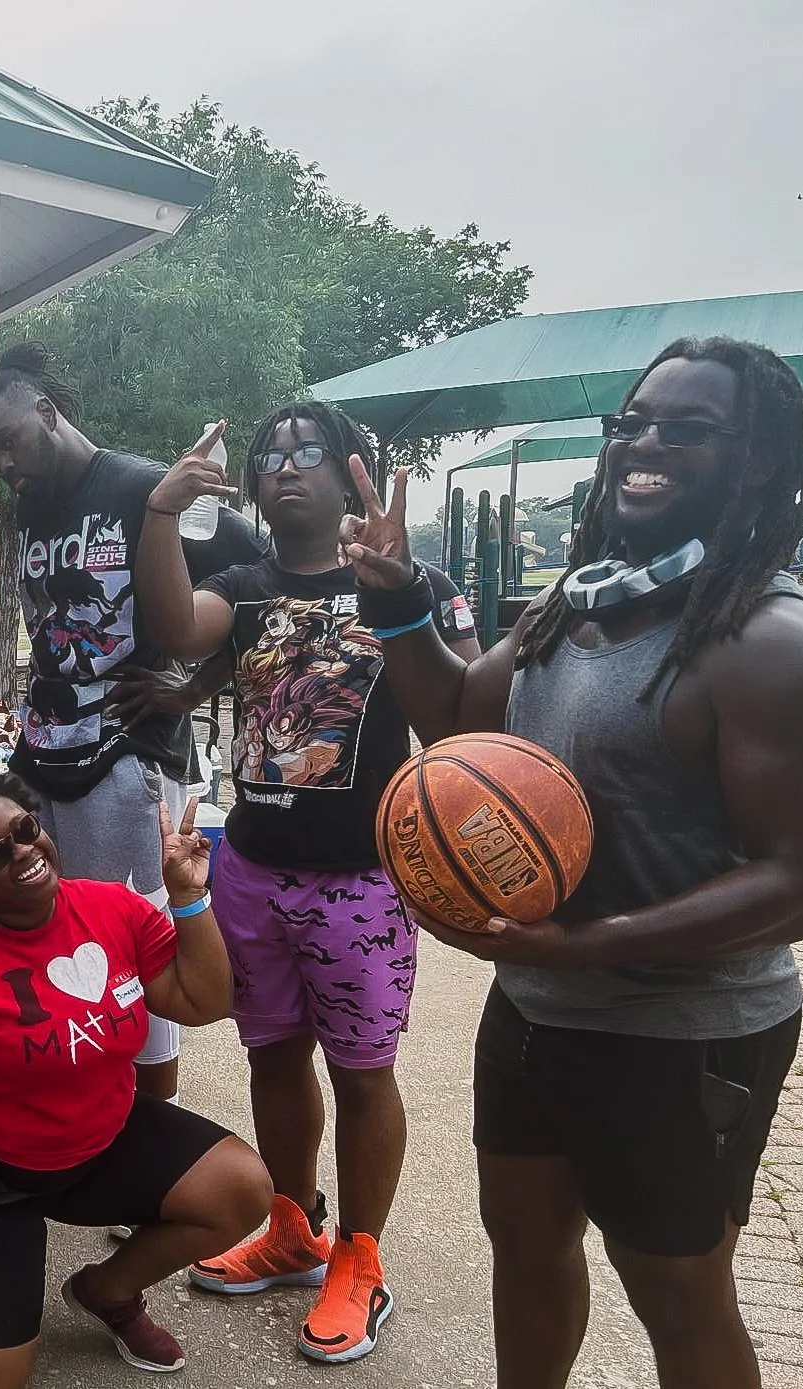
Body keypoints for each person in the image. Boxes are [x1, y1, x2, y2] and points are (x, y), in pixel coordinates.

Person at [340, 337, 803, 1389]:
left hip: (682, 1036)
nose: (646, 443)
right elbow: (451, 719)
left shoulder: (769, 643)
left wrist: (586, 948)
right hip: (540, 1009)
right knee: (526, 1250)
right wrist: (398, 598)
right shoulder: (572, 606)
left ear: (756, 457)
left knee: (678, 1295)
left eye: (688, 428)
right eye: (632, 422)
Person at [134, 399, 480, 1363]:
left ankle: (359, 1262)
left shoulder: (411, 584)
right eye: (269, 454)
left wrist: (401, 588)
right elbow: (172, 626)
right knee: (271, 1055)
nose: (285, 466)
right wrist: (160, 514)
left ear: (349, 475)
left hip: (363, 878)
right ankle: (292, 1227)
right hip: (250, 869)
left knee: (362, 1072)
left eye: (308, 453)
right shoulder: (244, 584)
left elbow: (455, 711)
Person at [0, 769, 271, 1386]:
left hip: (97, 1139)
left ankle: (106, 1289)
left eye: (25, 830)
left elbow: (203, 1003)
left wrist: (188, 899)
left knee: (242, 1189)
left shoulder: (111, 907)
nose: (23, 851)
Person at [0, 342, 268, 1107]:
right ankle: (86, 1100)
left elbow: (260, 592)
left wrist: (192, 689)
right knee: (62, 939)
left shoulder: (142, 487)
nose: (4, 465)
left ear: (47, 412)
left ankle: (146, 1127)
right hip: (44, 753)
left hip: (124, 757)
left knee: (131, 943)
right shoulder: (29, 505)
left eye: (9, 442)